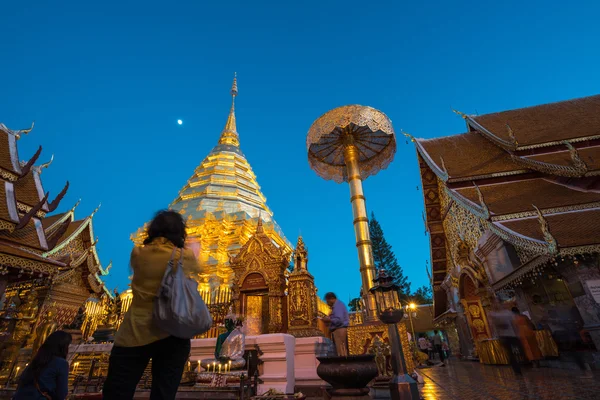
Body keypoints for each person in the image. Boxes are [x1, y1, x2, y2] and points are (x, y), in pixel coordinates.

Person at [102, 210, 204, 400]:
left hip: (134, 332)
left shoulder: (138, 253)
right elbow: (198, 269)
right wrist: (193, 248)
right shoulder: (184, 256)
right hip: (172, 332)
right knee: (163, 394)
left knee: (117, 391)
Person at [13, 330, 72, 400]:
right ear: (63, 347)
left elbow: (21, 382)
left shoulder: (37, 360)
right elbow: (62, 393)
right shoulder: (61, 363)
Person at [490, 307, 522, 375]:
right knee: (511, 353)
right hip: (505, 336)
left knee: (516, 351)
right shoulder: (495, 315)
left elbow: (514, 324)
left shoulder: (507, 313)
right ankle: (517, 368)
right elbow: (495, 327)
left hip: (512, 335)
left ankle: (519, 364)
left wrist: (517, 333)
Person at [321, 292, 349, 357]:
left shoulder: (338, 306)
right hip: (338, 330)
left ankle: (343, 364)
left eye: (327, 301)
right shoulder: (337, 306)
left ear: (331, 299)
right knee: (339, 349)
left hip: (340, 329)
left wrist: (329, 319)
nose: (327, 303)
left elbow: (339, 320)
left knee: (341, 350)